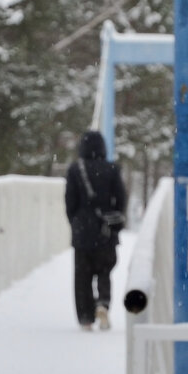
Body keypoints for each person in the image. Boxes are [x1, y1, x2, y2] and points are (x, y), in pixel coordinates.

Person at [64, 131, 127, 331]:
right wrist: (114, 217)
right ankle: (103, 304)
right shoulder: (112, 169)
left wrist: (77, 223)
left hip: (83, 233)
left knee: (82, 277)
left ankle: (86, 318)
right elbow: (121, 198)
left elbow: (70, 202)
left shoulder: (75, 170)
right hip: (105, 232)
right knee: (104, 271)